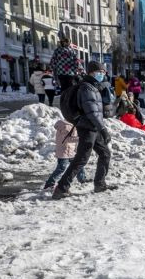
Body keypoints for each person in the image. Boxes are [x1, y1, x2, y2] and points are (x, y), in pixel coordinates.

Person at [52, 61, 116, 200]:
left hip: (93, 126)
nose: (103, 74)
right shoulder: (87, 88)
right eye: (100, 72)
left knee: (105, 153)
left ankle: (100, 184)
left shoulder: (93, 86)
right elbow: (92, 112)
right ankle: (61, 188)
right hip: (88, 127)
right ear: (92, 72)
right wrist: (103, 129)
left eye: (104, 72)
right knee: (81, 158)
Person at [44, 119, 88, 189]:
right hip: (63, 151)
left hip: (71, 151)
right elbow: (67, 139)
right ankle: (49, 183)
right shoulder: (65, 126)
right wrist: (81, 138)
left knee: (79, 165)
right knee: (61, 168)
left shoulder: (72, 124)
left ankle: (82, 179)